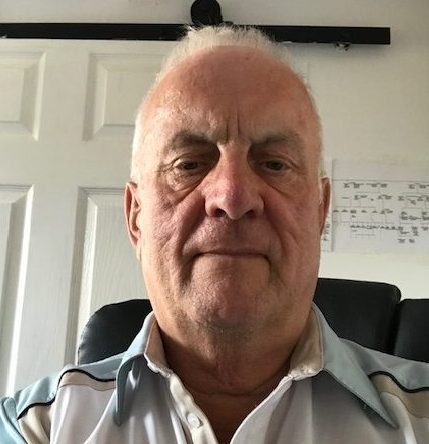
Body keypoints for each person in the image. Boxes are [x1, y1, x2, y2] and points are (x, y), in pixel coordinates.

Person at [1, 25, 429, 444]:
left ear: (320, 211)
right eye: (188, 164)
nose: (233, 196)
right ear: (135, 216)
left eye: (274, 164)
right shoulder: (38, 428)